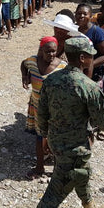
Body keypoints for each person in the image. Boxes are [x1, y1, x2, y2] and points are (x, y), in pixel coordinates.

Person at [17, 37, 104, 208]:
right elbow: (103, 121)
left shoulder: (51, 80)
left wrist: (46, 136)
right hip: (74, 148)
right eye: (90, 54)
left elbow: (42, 113)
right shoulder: (88, 87)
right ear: (83, 58)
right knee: (55, 192)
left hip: (56, 142)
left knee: (81, 174)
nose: (93, 56)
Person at [21, 36, 67, 179]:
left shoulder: (62, 67)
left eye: (54, 51)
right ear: (41, 50)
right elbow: (23, 64)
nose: (51, 54)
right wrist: (25, 76)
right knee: (40, 138)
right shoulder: (33, 62)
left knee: (55, 141)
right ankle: (39, 167)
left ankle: (57, 171)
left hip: (54, 111)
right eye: (48, 51)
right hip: (36, 107)